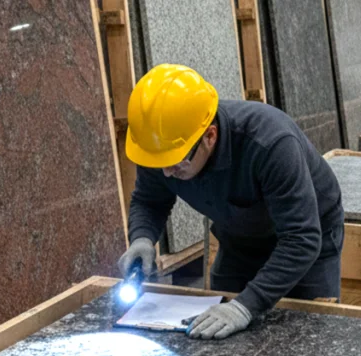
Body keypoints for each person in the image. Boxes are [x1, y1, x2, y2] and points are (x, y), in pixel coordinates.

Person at [116, 64, 344, 340]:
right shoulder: (164, 145)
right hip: (241, 236)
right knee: (215, 334)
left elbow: (302, 238)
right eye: (159, 164)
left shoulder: (271, 144)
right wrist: (142, 238)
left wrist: (244, 308)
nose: (166, 173)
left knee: (306, 340)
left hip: (308, 241)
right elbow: (149, 200)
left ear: (209, 136)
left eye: (175, 164)